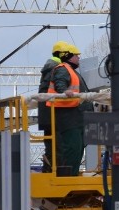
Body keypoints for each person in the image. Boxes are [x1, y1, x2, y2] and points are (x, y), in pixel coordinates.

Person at [46, 43, 92, 175]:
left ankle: (73, 174)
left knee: (78, 148)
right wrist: (65, 91)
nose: (78, 57)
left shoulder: (72, 71)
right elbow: (60, 83)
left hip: (76, 117)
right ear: (67, 55)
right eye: (76, 55)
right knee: (73, 148)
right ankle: (69, 177)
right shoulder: (62, 69)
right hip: (69, 117)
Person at [38, 42, 70, 172]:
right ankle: (56, 172)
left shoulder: (49, 68)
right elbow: (60, 89)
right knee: (59, 148)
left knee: (52, 146)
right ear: (63, 54)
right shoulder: (58, 69)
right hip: (55, 115)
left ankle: (50, 169)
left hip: (47, 115)